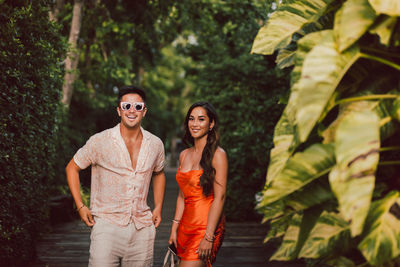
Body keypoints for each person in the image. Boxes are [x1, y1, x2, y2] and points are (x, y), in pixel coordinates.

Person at [65, 85, 166, 267]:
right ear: (119, 110)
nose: (132, 111)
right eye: (126, 106)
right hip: (106, 226)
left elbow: (159, 173)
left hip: (142, 229)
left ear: (144, 111)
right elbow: (72, 168)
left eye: (138, 106)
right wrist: (80, 206)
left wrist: (158, 206)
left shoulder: (156, 144)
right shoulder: (99, 141)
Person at [168, 102, 228, 267]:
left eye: (201, 119)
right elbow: (182, 196)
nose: (195, 124)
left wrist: (209, 236)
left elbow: (220, 197)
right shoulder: (184, 155)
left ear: (211, 123)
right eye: (191, 119)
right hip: (185, 226)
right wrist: (174, 228)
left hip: (206, 226)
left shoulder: (218, 155)